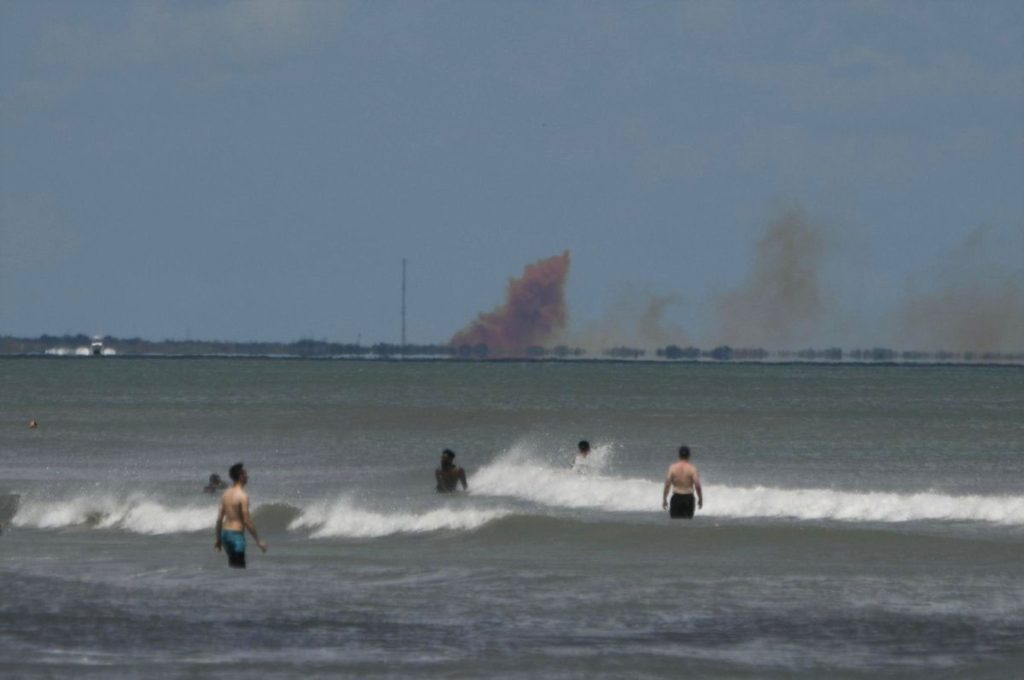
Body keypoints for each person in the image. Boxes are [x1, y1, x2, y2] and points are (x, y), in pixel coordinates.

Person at [214, 462, 267, 568]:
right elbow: (247, 520)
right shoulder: (243, 496)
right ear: (241, 476)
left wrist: (218, 539)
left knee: (233, 566)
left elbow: (219, 519)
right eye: (246, 474)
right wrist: (258, 541)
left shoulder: (225, 494)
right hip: (236, 536)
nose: (248, 476)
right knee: (239, 568)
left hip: (225, 535)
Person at [662, 445, 703, 519]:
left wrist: (664, 499)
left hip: (676, 498)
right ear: (689, 455)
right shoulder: (692, 468)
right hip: (688, 499)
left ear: (679, 455)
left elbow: (667, 484)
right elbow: (697, 485)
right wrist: (700, 499)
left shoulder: (672, 468)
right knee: (688, 525)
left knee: (675, 525)